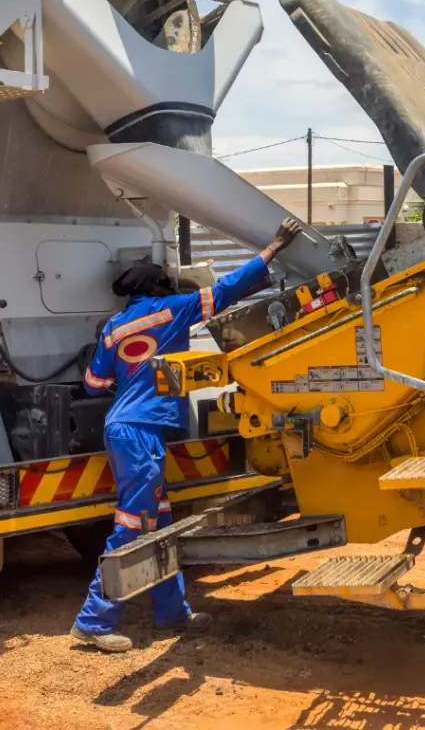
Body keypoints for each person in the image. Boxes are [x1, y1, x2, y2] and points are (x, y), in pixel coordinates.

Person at [70, 217, 303, 653]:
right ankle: (93, 622)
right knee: (132, 522)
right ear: (160, 287)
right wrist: (272, 247)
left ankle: (171, 612)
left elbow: (93, 385)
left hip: (125, 428)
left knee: (158, 522)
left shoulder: (114, 326)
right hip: (141, 433)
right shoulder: (172, 310)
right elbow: (229, 289)